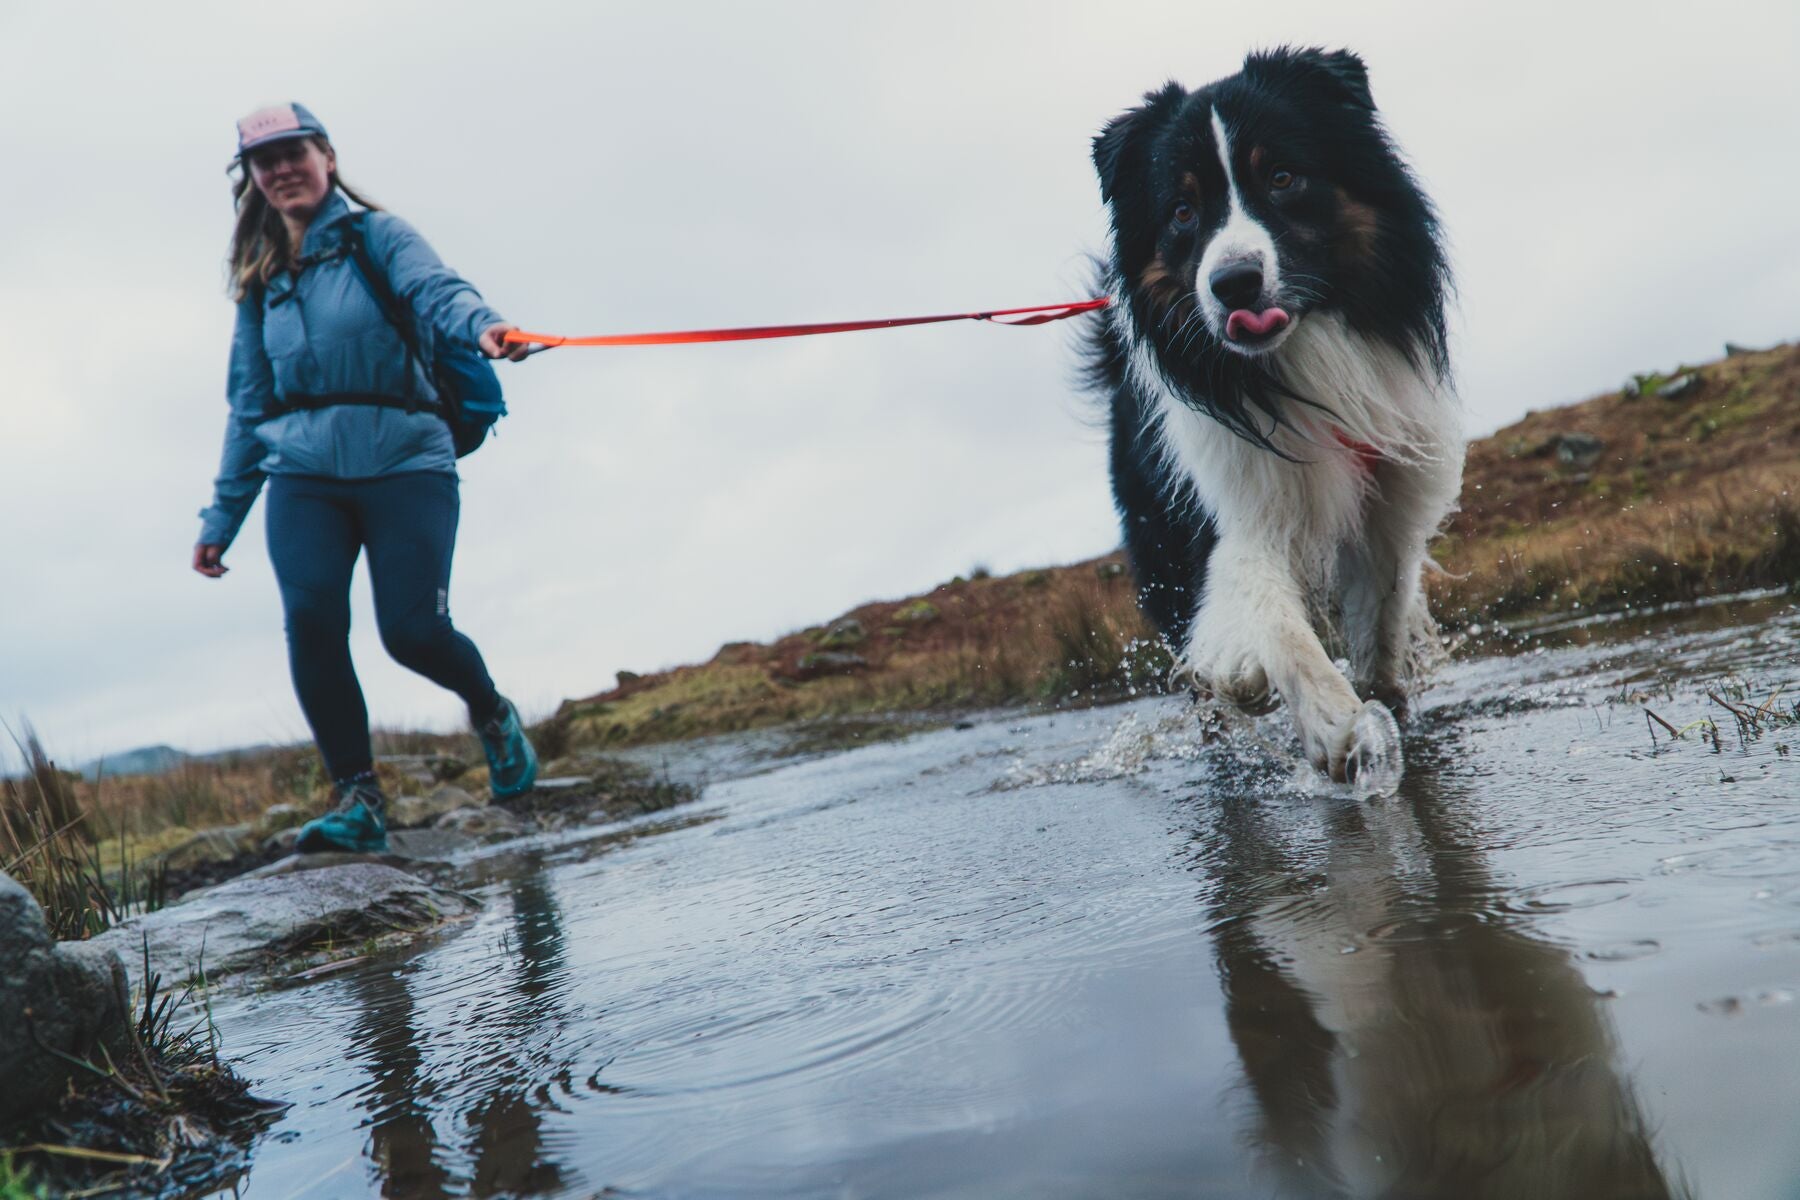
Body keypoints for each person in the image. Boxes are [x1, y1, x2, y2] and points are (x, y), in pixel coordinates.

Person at [194, 102, 537, 854]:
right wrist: (222, 519)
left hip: (405, 457)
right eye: (266, 160)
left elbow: (436, 291)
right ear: (251, 177)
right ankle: (359, 801)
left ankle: (492, 714)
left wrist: (485, 325)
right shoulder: (260, 282)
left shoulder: (379, 239)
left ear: (328, 157)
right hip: (304, 473)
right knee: (313, 624)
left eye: (295, 152)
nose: (283, 169)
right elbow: (249, 403)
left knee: (412, 633)